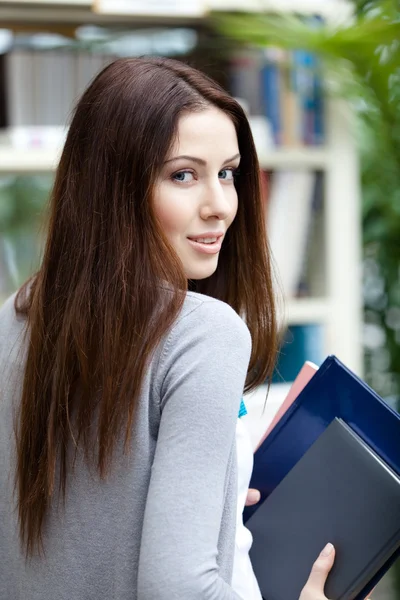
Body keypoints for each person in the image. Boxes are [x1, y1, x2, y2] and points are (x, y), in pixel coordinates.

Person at [0, 56, 336, 599]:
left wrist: (217, 480)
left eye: (227, 173)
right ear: (113, 189)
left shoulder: (17, 317)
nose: (220, 206)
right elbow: (178, 588)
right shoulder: (201, 333)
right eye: (184, 175)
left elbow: (85, 513)